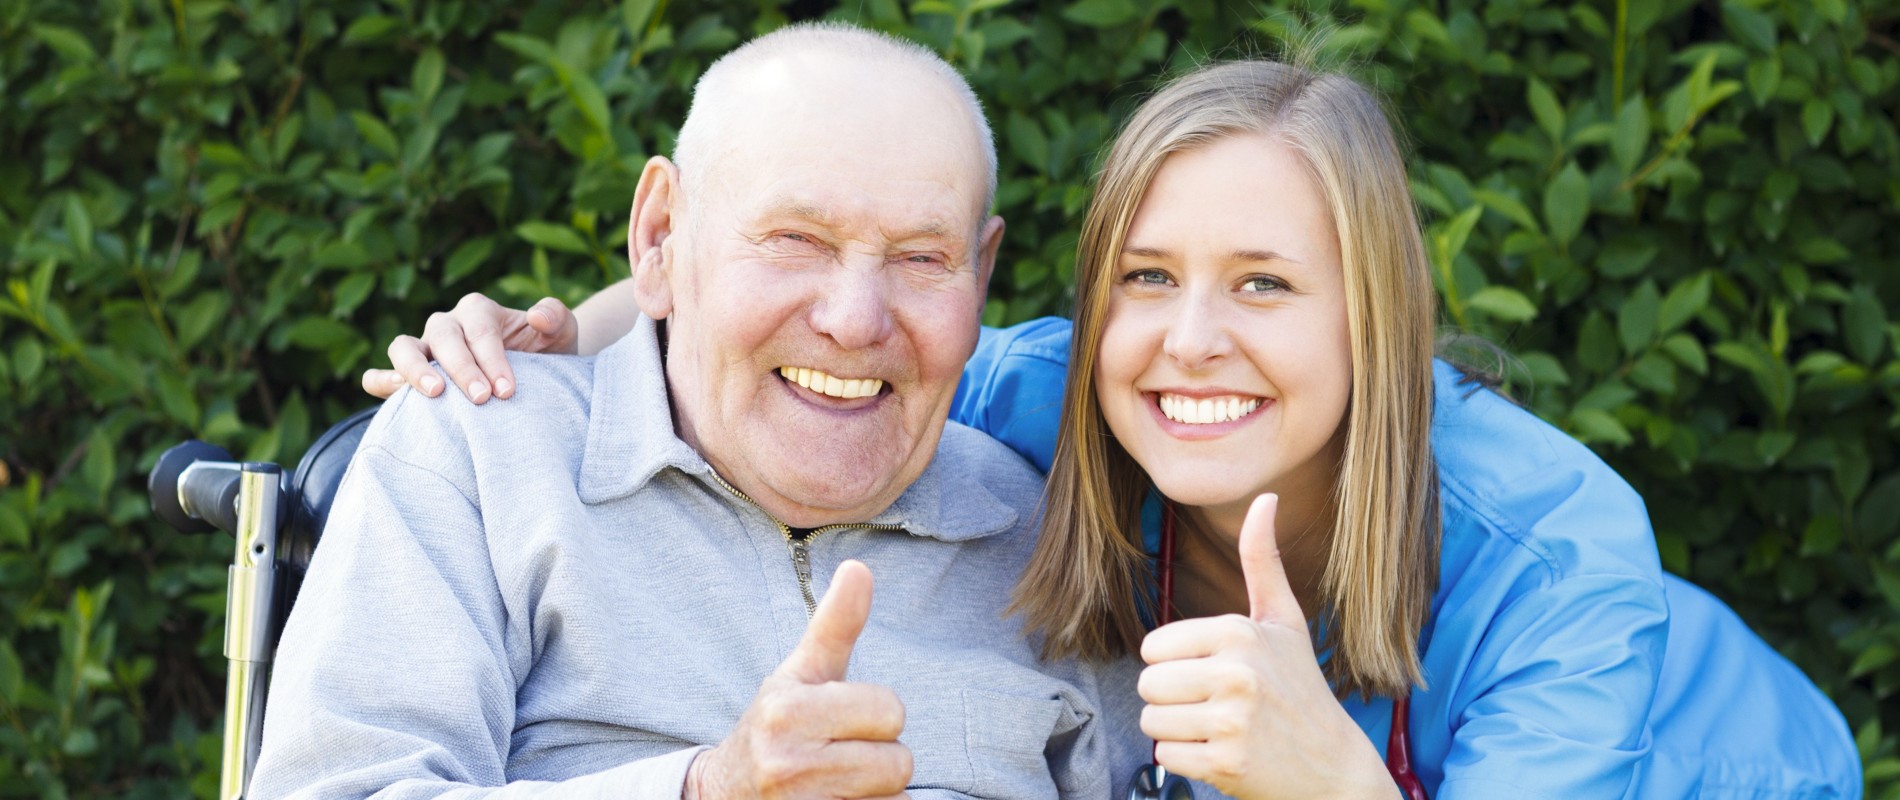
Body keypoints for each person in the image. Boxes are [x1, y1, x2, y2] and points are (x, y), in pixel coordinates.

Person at [373, 61, 1862, 799]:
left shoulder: (1557, 553)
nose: (1190, 339)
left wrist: (1337, 782)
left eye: (1266, 286)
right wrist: (567, 321)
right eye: (1147, 278)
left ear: (1379, 317)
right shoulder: (1064, 391)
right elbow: (836, 308)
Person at [252, 23, 1113, 799]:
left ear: (982, 270)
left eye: (923, 257)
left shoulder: (1045, 533)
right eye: (795, 239)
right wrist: (703, 791)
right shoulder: (483, 451)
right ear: (661, 235)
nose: (856, 320)